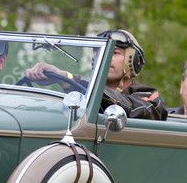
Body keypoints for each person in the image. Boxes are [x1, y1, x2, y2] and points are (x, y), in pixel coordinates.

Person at [24, 28, 166, 120]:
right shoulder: (78, 95)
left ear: (133, 61)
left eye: (115, 52)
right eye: (99, 53)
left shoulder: (149, 97)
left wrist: (68, 79)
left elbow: (132, 108)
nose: (104, 57)